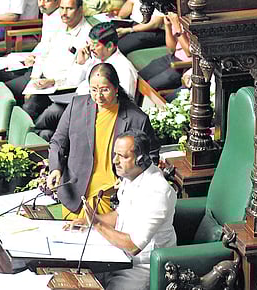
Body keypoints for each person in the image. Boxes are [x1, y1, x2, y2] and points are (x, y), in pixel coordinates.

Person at [65, 129, 176, 290]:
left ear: (141, 160)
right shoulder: (130, 176)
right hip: (116, 255)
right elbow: (120, 215)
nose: (115, 161)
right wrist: (87, 221)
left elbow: (133, 246)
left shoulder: (158, 191)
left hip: (142, 266)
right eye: (115, 154)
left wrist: (97, 224)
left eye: (123, 156)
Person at [46, 63, 160, 220]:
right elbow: (58, 141)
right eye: (93, 90)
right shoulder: (76, 106)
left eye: (104, 90)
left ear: (116, 88)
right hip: (75, 191)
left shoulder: (137, 119)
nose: (98, 96)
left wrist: (132, 178)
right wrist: (55, 169)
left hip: (112, 196)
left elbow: (152, 156)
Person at [34, 21, 138, 141]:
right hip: (77, 101)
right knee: (45, 130)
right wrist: (80, 63)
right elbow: (73, 82)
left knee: (51, 114)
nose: (90, 48)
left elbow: (125, 103)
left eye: (95, 44)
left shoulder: (124, 68)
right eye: (89, 43)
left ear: (110, 46)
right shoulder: (94, 58)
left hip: (93, 113)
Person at [5, 0, 91, 120]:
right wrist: (34, 78)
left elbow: (78, 76)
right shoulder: (59, 26)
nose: (64, 13)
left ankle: (19, 135)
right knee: (5, 90)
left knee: (28, 108)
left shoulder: (88, 36)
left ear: (81, 10)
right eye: (62, 8)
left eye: (69, 9)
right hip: (40, 80)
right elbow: (43, 54)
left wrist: (53, 81)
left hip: (59, 88)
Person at [0, 0, 63, 86]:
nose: (41, 4)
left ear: (58, 2)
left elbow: (50, 51)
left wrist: (35, 59)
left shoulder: (61, 20)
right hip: (37, 62)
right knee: (1, 66)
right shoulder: (48, 14)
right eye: (40, 0)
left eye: (47, 1)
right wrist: (33, 55)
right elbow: (44, 43)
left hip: (45, 71)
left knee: (2, 82)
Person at [138, 11, 191, 92]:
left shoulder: (194, 21)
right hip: (173, 57)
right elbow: (171, 48)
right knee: (141, 76)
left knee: (151, 86)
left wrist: (177, 27)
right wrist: (168, 26)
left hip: (185, 65)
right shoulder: (179, 15)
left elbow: (189, 53)